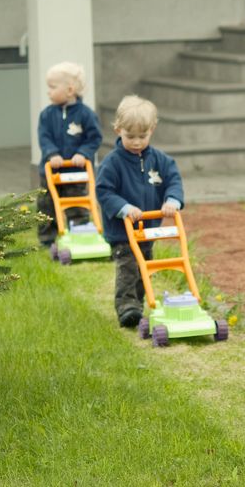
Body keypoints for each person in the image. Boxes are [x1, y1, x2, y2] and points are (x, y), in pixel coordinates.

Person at [95, 95, 184, 328]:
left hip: (148, 230)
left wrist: (172, 200)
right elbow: (103, 191)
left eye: (142, 137)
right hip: (122, 233)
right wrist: (124, 208)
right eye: (130, 136)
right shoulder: (112, 163)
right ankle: (127, 307)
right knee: (128, 268)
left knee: (145, 268)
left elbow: (173, 180)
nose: (136, 142)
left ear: (152, 130)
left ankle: (139, 302)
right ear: (117, 130)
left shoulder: (160, 161)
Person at [37, 61, 103, 246]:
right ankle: (46, 240)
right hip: (52, 171)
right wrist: (52, 154)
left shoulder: (86, 115)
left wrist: (83, 153)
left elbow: (95, 138)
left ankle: (81, 235)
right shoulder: (46, 115)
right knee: (46, 206)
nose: (48, 91)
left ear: (70, 90)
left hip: (77, 172)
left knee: (77, 205)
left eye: (52, 87)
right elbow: (44, 137)